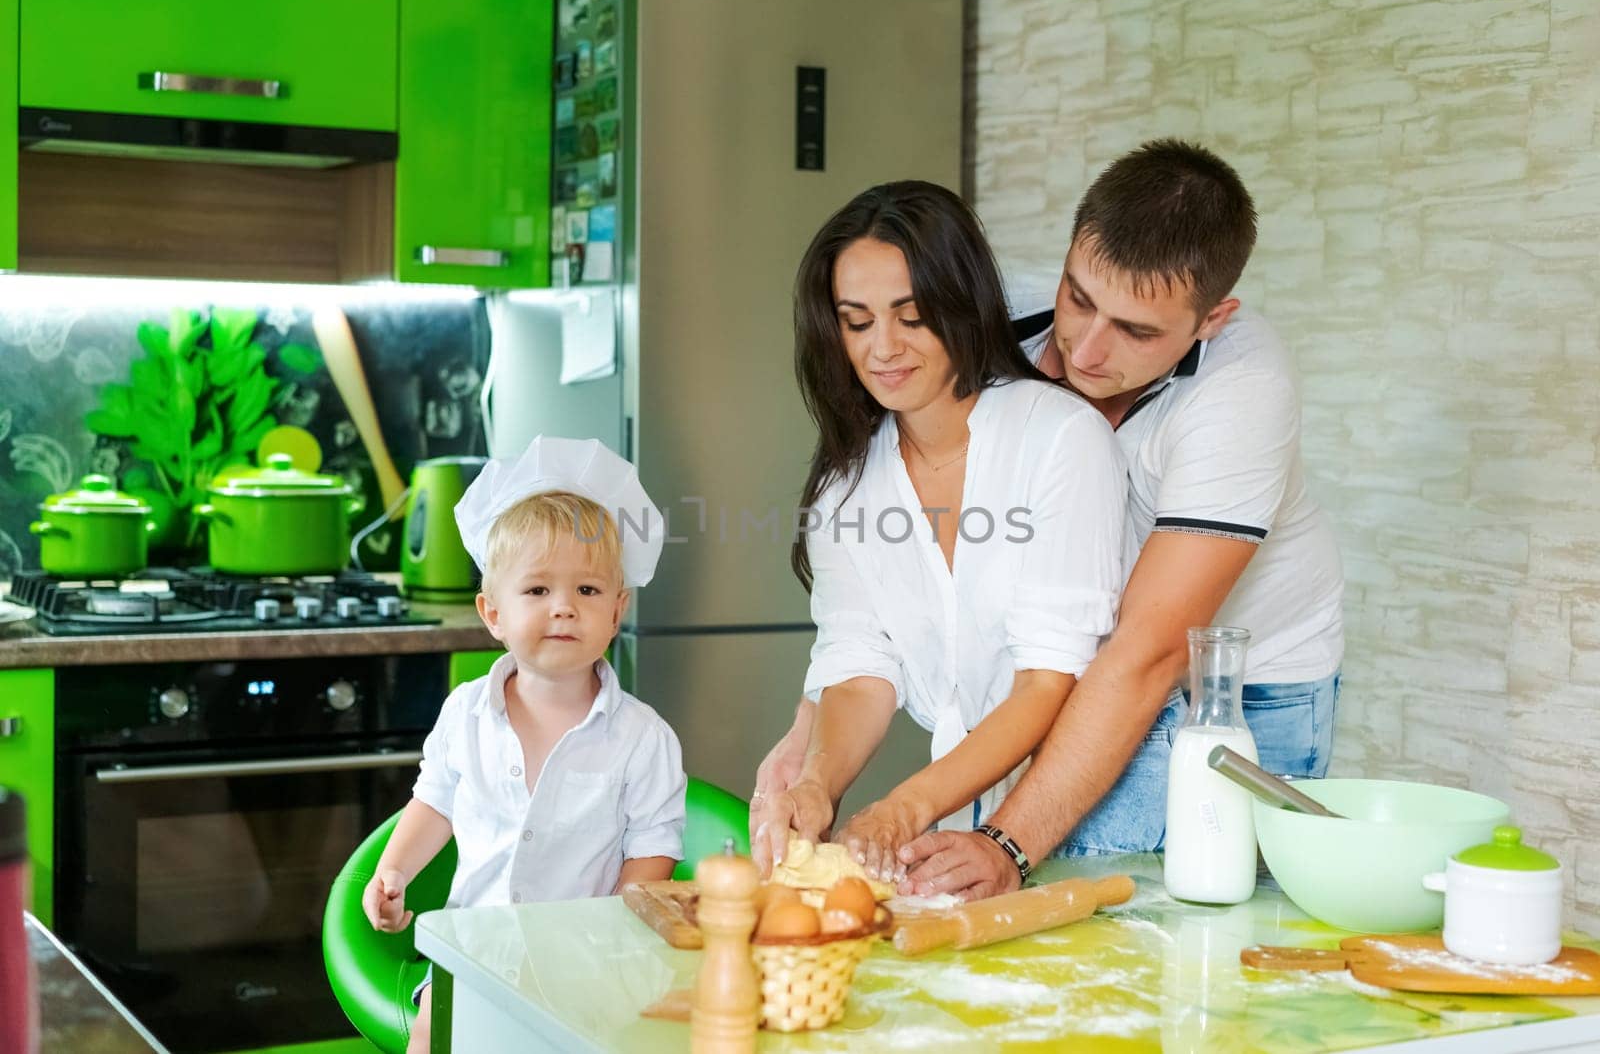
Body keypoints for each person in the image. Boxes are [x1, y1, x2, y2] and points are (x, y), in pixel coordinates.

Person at [888, 138, 1345, 898]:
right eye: (1079, 298)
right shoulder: (1013, 318)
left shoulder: (1243, 391)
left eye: (1136, 331)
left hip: (1237, 692)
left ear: (1213, 318)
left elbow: (1149, 651)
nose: (1086, 349)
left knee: (1159, 935)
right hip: (1094, 664)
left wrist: (1007, 842)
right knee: (1036, 915)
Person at [750, 180, 1128, 885]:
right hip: (961, 828)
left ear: (960, 304)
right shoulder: (848, 485)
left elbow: (1048, 681)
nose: (882, 348)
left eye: (911, 316)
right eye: (856, 321)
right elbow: (861, 668)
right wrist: (816, 786)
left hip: (1088, 813)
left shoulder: (1060, 441)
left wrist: (901, 808)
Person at [361, 436, 686, 1053]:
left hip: (589, 970)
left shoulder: (645, 738)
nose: (563, 608)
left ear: (617, 611)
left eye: (587, 592)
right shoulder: (465, 714)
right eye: (537, 591)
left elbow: (652, 855)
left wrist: (608, 947)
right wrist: (394, 871)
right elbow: (435, 804)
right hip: (469, 955)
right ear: (492, 613)